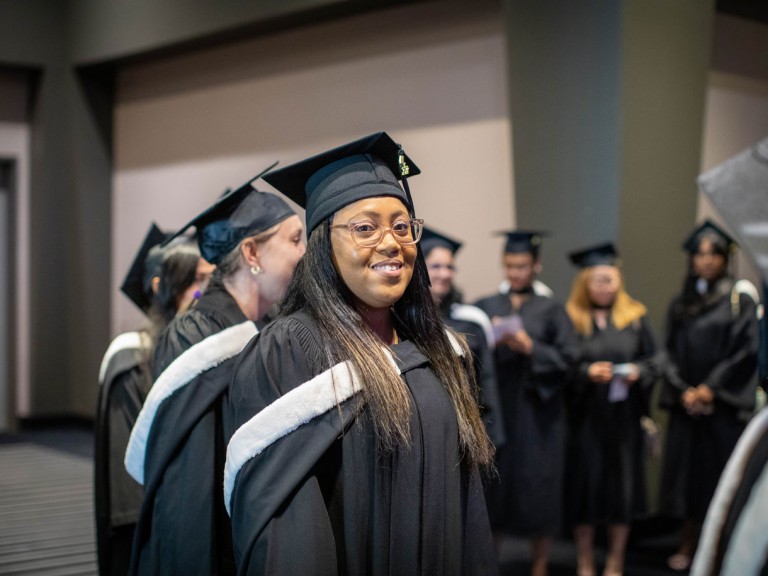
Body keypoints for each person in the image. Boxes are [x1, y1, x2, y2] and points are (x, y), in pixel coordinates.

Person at [224, 132, 498, 575]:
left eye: (402, 226)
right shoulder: (290, 350)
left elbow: (469, 507)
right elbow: (289, 537)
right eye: (365, 228)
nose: (391, 242)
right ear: (323, 248)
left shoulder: (437, 350)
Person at [124, 169, 305, 576]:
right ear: (252, 254)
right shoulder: (194, 336)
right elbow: (188, 489)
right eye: (294, 239)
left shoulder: (272, 329)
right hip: (213, 541)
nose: (303, 252)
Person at [95, 224, 211, 576]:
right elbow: (128, 490)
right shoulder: (132, 361)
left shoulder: (215, 350)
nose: (208, 293)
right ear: (162, 287)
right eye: (198, 281)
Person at [474, 231, 578, 576]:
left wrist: (530, 347)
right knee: (494, 489)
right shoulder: (486, 306)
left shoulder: (552, 309)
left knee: (540, 489)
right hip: (498, 411)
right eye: (509, 266)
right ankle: (492, 562)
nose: (514, 273)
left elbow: (569, 359)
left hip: (539, 415)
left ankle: (540, 565)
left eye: (521, 266)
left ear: (536, 266)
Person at [658, 220, 759, 572]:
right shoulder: (682, 301)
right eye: (699, 255)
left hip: (721, 407)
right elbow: (667, 351)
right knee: (686, 478)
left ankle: (714, 545)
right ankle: (687, 542)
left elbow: (746, 351)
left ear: (725, 259)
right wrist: (685, 389)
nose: (705, 261)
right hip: (688, 405)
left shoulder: (738, 298)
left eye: (713, 255)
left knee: (716, 477)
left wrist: (709, 389)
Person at [564, 243, 658, 576]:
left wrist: (638, 372)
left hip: (624, 421)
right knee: (585, 493)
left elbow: (655, 360)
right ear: (586, 282)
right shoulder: (571, 319)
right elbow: (562, 365)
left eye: (612, 280)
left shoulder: (634, 317)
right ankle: (585, 559)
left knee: (623, 492)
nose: (607, 286)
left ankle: (616, 559)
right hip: (586, 420)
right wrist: (586, 372)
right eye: (600, 280)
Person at [422, 226, 505, 447]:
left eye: (450, 267)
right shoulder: (402, 323)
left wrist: (492, 436)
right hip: (425, 432)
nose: (445, 273)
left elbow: (486, 383)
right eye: (436, 266)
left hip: (467, 433)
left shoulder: (471, 321)